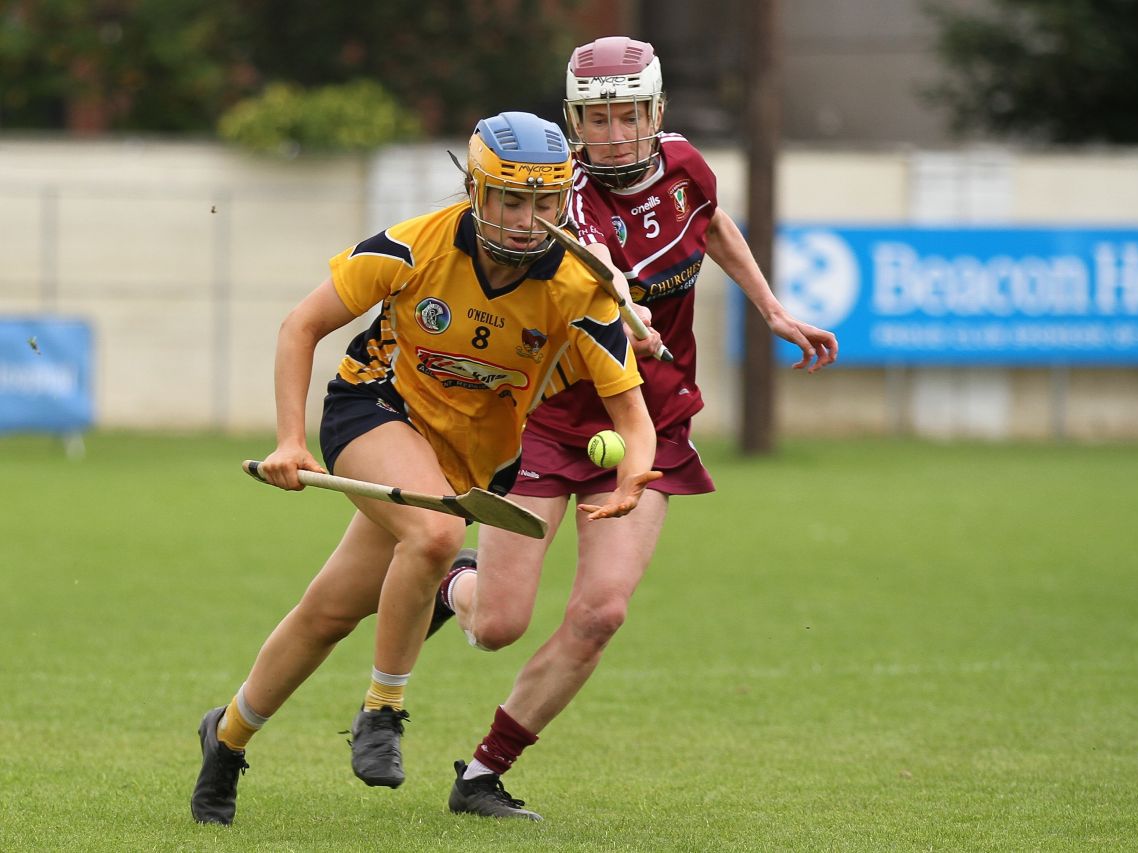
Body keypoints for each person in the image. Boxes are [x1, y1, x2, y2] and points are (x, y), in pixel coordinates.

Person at [190, 111, 661, 826]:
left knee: (329, 613)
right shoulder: (414, 247)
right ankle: (384, 708)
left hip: (472, 458)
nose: (528, 220)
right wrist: (290, 439)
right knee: (436, 539)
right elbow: (300, 327)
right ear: (475, 190)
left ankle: (225, 738)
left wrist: (634, 474)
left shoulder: (577, 286)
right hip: (377, 410)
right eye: (510, 198)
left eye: (544, 201)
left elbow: (633, 418)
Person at [431, 37, 839, 821]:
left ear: (656, 113)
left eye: (627, 115)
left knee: (602, 613)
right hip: (550, 420)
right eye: (596, 116)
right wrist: (628, 314)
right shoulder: (564, 202)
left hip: (652, 420)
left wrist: (771, 307)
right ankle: (452, 581)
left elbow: (710, 224)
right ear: (573, 119)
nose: (613, 132)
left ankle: (482, 773)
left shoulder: (687, 165)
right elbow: (597, 275)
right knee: (498, 627)